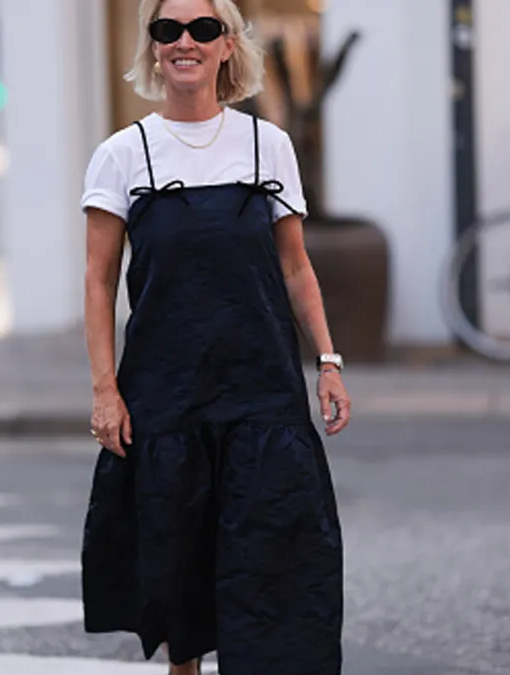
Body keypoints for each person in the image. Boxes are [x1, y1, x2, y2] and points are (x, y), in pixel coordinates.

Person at [79, 1, 351, 674]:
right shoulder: (122, 155)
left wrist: (328, 359)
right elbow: (97, 279)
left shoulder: (268, 146)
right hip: (168, 393)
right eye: (166, 30)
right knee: (178, 568)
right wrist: (105, 390)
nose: (184, 42)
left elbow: (295, 265)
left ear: (227, 45)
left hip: (260, 390)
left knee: (276, 556)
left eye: (202, 29)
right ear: (152, 46)